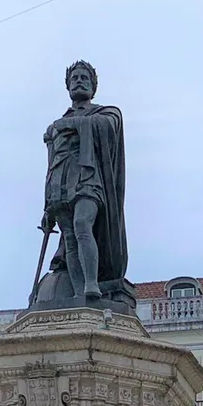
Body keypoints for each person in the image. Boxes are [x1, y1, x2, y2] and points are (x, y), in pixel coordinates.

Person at [41, 61, 127, 299]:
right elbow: (50, 165)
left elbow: (109, 126)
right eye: (74, 78)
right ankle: (80, 293)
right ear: (68, 86)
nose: (79, 81)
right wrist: (46, 206)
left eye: (84, 78)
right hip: (59, 182)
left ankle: (92, 284)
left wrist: (71, 124)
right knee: (69, 238)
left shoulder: (105, 113)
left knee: (82, 224)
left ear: (93, 86)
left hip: (88, 178)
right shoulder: (54, 129)